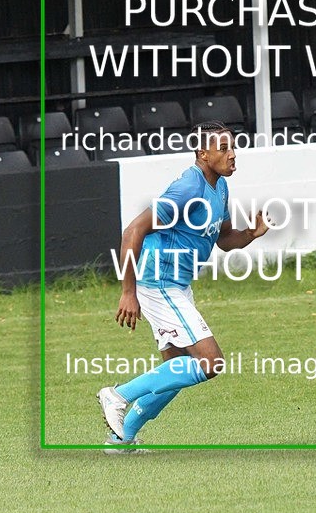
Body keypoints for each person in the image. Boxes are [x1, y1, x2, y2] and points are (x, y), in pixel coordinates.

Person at [96, 121, 269, 449]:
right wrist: (127, 291)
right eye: (223, 149)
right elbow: (134, 230)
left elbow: (224, 239)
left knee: (175, 372)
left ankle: (120, 440)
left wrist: (250, 234)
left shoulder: (218, 187)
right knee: (210, 362)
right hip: (158, 280)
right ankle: (117, 395)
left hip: (175, 283)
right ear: (203, 154)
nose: (232, 155)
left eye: (233, 148)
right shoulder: (188, 187)